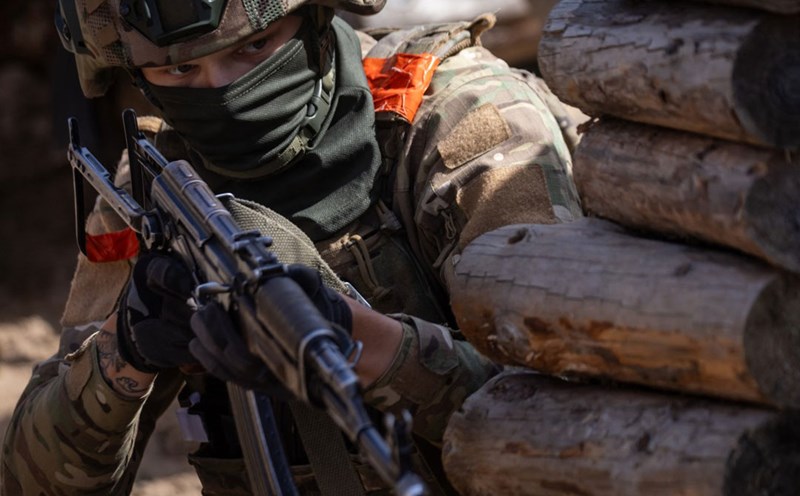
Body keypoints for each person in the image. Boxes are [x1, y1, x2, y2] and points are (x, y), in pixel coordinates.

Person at [1, 0, 584, 494]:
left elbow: (576, 422)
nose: (222, 92)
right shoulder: (160, 183)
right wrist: (124, 353)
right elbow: (31, 480)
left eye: (254, 48)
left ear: (315, 17)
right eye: (178, 72)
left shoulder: (467, 121)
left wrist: (360, 339)